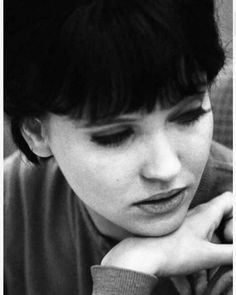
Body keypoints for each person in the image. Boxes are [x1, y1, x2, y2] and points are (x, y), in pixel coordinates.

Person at [4, 0, 232, 294]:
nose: (166, 168)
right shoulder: (12, 209)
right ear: (36, 131)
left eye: (189, 115)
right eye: (115, 136)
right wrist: (128, 272)